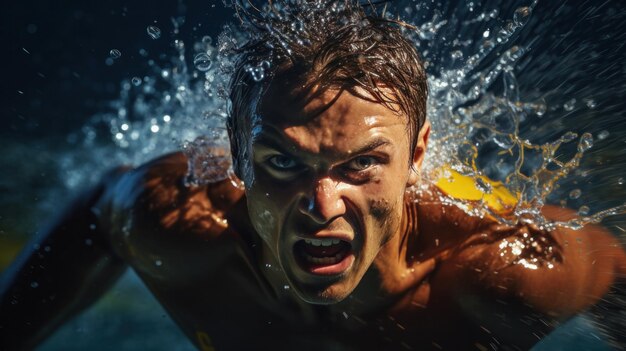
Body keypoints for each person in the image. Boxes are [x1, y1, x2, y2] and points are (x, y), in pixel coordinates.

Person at [1, 1, 625, 350]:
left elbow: (616, 270)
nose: (321, 205)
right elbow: (99, 209)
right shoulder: (178, 227)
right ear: (238, 154)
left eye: (362, 165)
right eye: (283, 163)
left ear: (419, 155)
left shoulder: (502, 274)